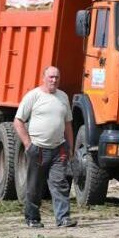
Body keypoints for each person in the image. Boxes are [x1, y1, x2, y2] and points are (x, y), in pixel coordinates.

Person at [14, 66, 76, 228]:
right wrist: (28, 144)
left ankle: (63, 218)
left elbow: (68, 123)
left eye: (56, 77)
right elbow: (18, 121)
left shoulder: (63, 97)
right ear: (43, 78)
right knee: (34, 186)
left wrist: (70, 146)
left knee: (60, 184)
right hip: (38, 149)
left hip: (58, 149)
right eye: (51, 77)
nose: (54, 80)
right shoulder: (33, 96)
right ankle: (32, 218)